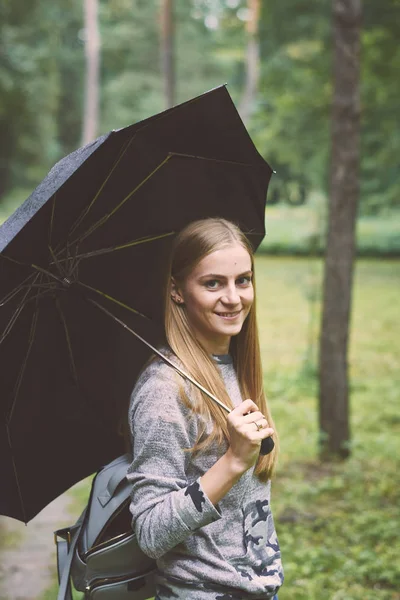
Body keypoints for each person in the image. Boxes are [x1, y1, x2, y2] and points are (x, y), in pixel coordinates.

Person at [127, 218, 284, 600]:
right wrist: (231, 461)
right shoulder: (166, 391)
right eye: (213, 283)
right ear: (177, 291)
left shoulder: (234, 370)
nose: (233, 297)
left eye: (243, 280)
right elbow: (150, 532)